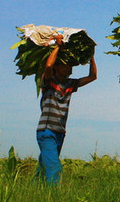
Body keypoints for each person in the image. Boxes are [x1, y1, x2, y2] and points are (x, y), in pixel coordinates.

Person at [36, 35, 97, 184]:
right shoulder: (48, 82)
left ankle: (34, 190)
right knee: (54, 168)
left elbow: (92, 77)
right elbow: (48, 66)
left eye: (70, 66)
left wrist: (91, 57)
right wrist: (57, 46)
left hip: (60, 132)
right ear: (57, 67)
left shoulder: (70, 84)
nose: (69, 67)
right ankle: (53, 196)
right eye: (65, 65)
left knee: (44, 168)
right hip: (47, 131)